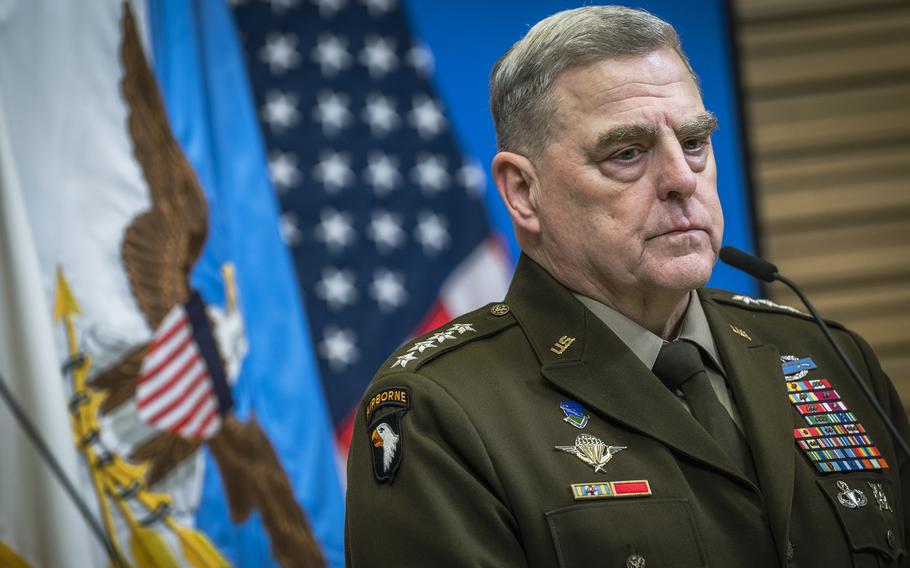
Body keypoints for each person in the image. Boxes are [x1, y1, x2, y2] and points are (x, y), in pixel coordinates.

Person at [345, 6, 909, 567]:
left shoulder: (826, 355)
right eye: (627, 153)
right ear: (522, 192)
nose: (681, 180)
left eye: (693, 142)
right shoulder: (439, 412)